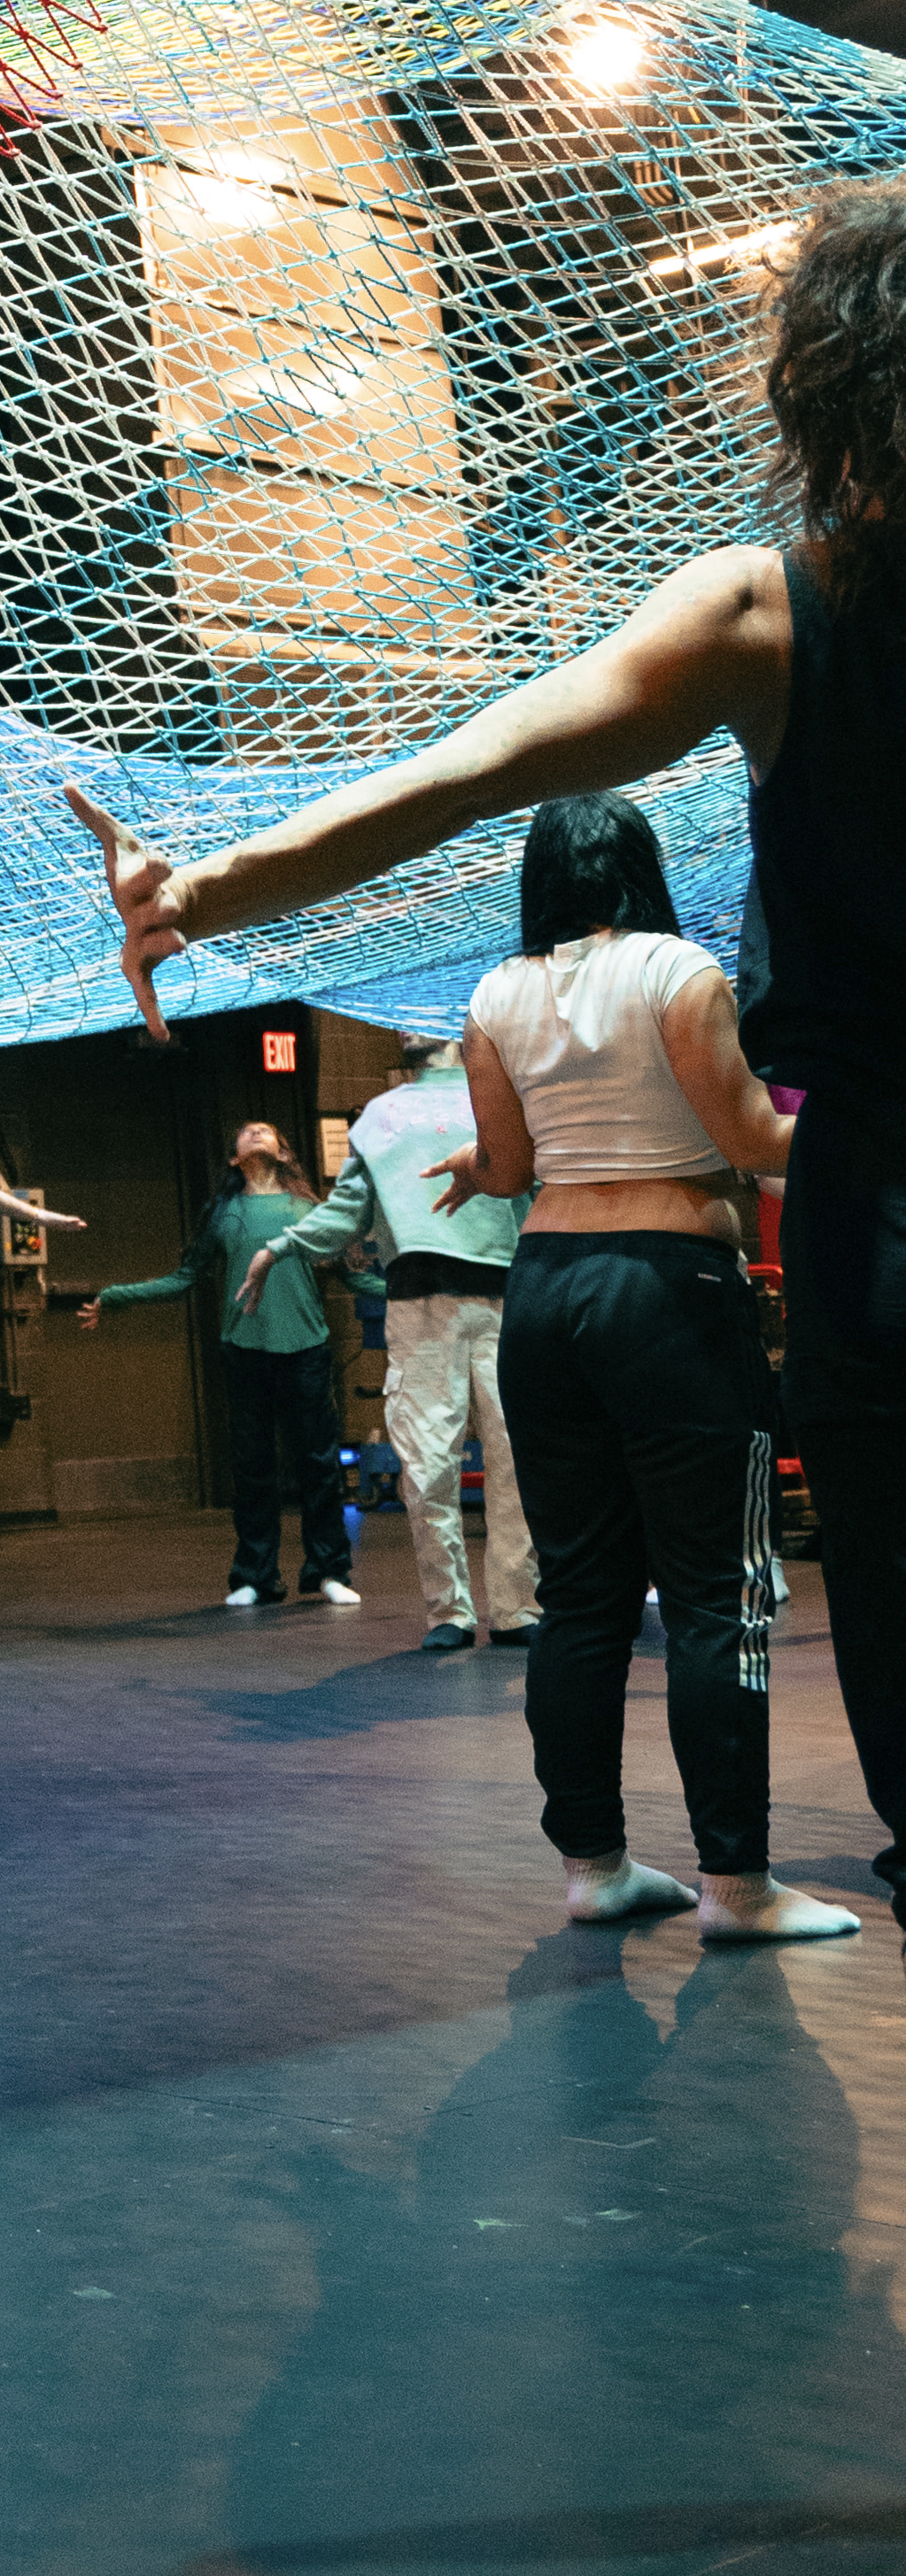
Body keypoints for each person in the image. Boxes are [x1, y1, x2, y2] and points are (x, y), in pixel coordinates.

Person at [65, 172, 906, 1942]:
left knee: (672, 1577)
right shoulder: (687, 878)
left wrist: (204, 888)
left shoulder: (774, 613)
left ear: (824, 388)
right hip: (754, 1234)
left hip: (846, 1219)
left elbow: (470, 769)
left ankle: (623, 1848)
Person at [438, 792, 846, 1939]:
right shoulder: (679, 971)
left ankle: (594, 1869)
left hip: (546, 1291)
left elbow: (514, 1162)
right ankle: (737, 1888)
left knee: (578, 1600)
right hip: (667, 1290)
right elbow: (756, 1144)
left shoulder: (495, 993)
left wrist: (478, 1160)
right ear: (640, 865)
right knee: (721, 1595)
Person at [271, 1035, 536, 1656]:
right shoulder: (381, 1113)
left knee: (517, 1460)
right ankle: (448, 1609)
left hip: (508, 1299)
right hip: (418, 1303)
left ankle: (516, 1606)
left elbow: (544, 1185)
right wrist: (278, 1247)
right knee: (426, 1464)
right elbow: (345, 1214)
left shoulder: (502, 1098)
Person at [70, 1119, 361, 1616]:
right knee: (253, 1468)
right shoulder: (225, 1213)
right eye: (246, 1133)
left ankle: (329, 1571)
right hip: (244, 1349)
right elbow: (185, 1277)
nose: (254, 1134)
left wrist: (418, 1291)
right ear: (234, 1159)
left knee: (318, 1464)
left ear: (285, 1152)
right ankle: (255, 1576)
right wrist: (116, 1297)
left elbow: (352, 1278)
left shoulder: (310, 1210)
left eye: (265, 1131)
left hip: (307, 1349)